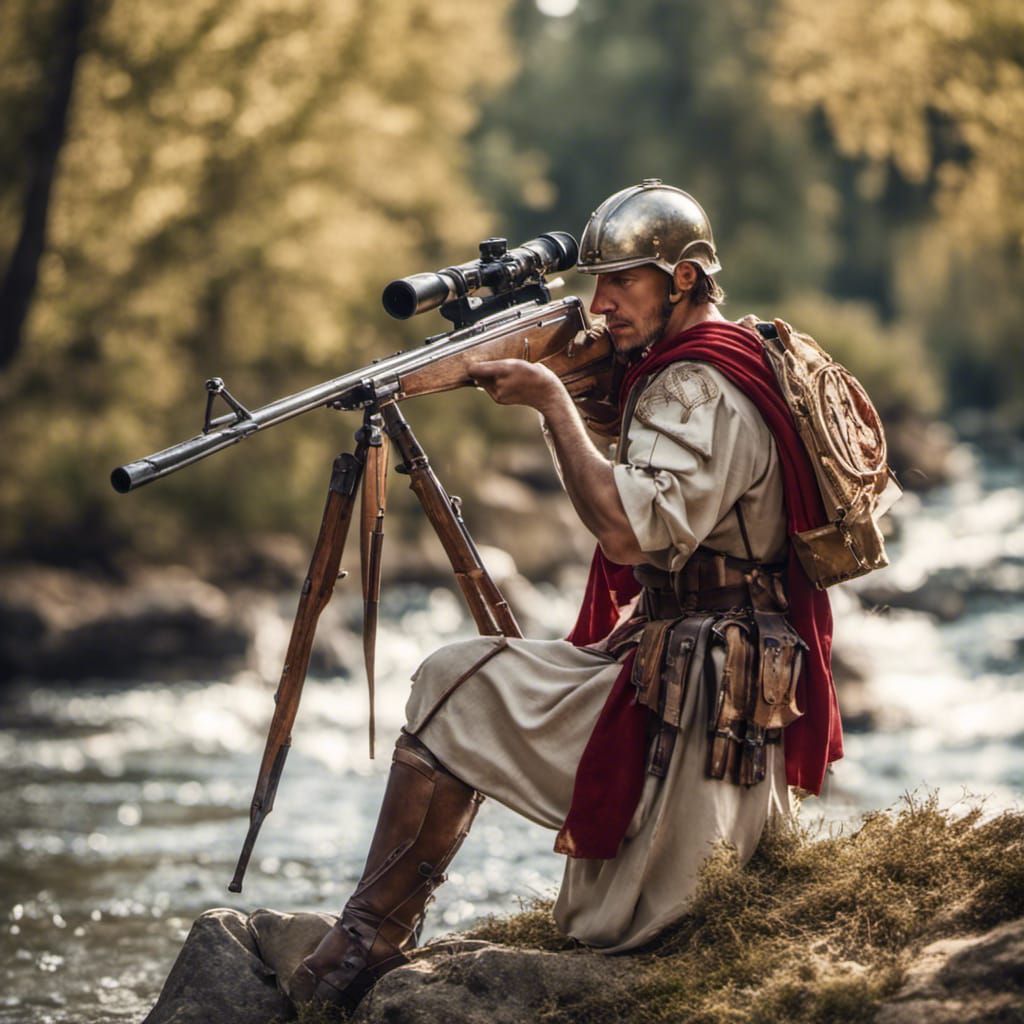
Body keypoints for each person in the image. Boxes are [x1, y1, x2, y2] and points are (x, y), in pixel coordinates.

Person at [288, 179, 842, 1008]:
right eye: (596, 282)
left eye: (623, 281)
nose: (603, 301)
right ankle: (370, 939)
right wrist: (579, 377)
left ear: (682, 278)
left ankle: (362, 947)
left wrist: (551, 399)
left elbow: (628, 533)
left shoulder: (691, 385)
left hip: (695, 697)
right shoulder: (729, 357)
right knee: (462, 683)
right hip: (710, 668)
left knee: (450, 681)